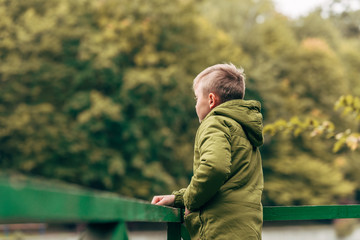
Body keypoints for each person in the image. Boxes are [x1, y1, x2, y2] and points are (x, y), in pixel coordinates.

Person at [151, 63, 264, 240]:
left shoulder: (215, 123)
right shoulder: (244, 129)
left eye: (197, 98)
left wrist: (190, 200)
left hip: (219, 231)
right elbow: (231, 182)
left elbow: (215, 168)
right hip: (246, 231)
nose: (196, 105)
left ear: (211, 100)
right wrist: (179, 198)